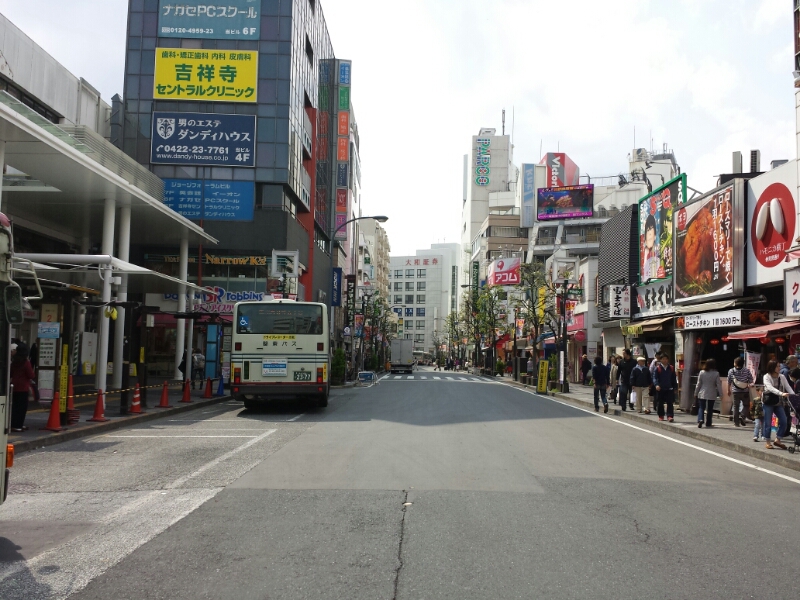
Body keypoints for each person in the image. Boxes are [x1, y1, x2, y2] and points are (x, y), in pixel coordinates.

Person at [762, 359, 790, 450]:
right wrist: (781, 393)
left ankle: (778, 439)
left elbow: (788, 387)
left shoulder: (781, 376)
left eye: (779, 366)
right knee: (768, 423)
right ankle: (768, 441)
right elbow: (770, 388)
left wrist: (794, 395)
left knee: (784, 421)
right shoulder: (766, 377)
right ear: (772, 367)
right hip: (768, 402)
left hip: (778, 402)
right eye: (777, 366)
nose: (779, 368)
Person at [10, 343, 34, 432]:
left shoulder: (14, 361)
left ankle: (13, 424)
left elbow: (11, 373)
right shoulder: (26, 362)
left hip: (14, 386)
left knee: (14, 407)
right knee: (22, 408)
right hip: (23, 387)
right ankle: (18, 425)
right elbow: (31, 375)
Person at [694, 358, 723, 428]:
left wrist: (695, 393)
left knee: (701, 407)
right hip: (712, 392)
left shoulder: (702, 372)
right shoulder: (716, 373)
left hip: (702, 391)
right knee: (710, 408)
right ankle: (708, 422)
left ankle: (700, 419)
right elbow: (718, 384)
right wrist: (721, 394)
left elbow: (698, 384)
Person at [728, 356, 754, 427]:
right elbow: (751, 380)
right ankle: (742, 416)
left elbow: (729, 381)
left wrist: (728, 390)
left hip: (735, 392)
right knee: (746, 405)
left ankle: (736, 423)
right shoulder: (747, 371)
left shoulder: (731, 371)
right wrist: (749, 385)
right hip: (745, 391)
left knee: (736, 406)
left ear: (735, 363)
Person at [653, 354, 677, 422]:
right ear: (660, 360)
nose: (665, 360)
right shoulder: (657, 368)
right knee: (660, 403)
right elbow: (655, 378)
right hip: (660, 388)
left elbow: (673, 379)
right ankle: (661, 415)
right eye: (663, 359)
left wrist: (675, 387)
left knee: (670, 403)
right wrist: (656, 385)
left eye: (666, 359)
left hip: (669, 388)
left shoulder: (671, 368)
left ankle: (670, 416)